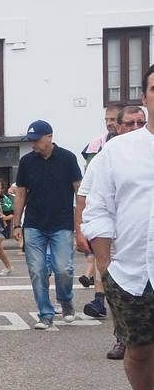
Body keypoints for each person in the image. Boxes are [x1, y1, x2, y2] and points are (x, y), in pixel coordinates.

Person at [80, 65, 154, 390]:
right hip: (132, 270)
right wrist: (105, 263)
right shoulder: (119, 151)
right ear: (144, 97)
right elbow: (98, 208)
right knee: (140, 349)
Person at [78, 104, 147, 358]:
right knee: (123, 297)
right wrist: (81, 232)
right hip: (118, 240)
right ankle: (122, 339)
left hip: (145, 240)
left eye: (140, 122)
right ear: (118, 127)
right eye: (129, 123)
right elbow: (85, 195)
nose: (135, 128)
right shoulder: (107, 155)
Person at [13, 120, 83, 330]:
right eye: (30, 140)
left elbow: (79, 190)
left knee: (64, 269)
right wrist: (17, 224)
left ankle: (66, 301)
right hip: (33, 224)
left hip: (61, 223)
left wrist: (80, 222)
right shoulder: (26, 162)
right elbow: (21, 193)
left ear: (49, 136)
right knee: (37, 270)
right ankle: (45, 314)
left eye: (36, 140)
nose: (32, 144)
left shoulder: (68, 158)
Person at [78, 107, 120, 288]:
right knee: (103, 261)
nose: (110, 123)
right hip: (103, 213)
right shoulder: (98, 146)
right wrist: (80, 228)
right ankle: (100, 298)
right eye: (107, 119)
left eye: (113, 119)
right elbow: (84, 190)